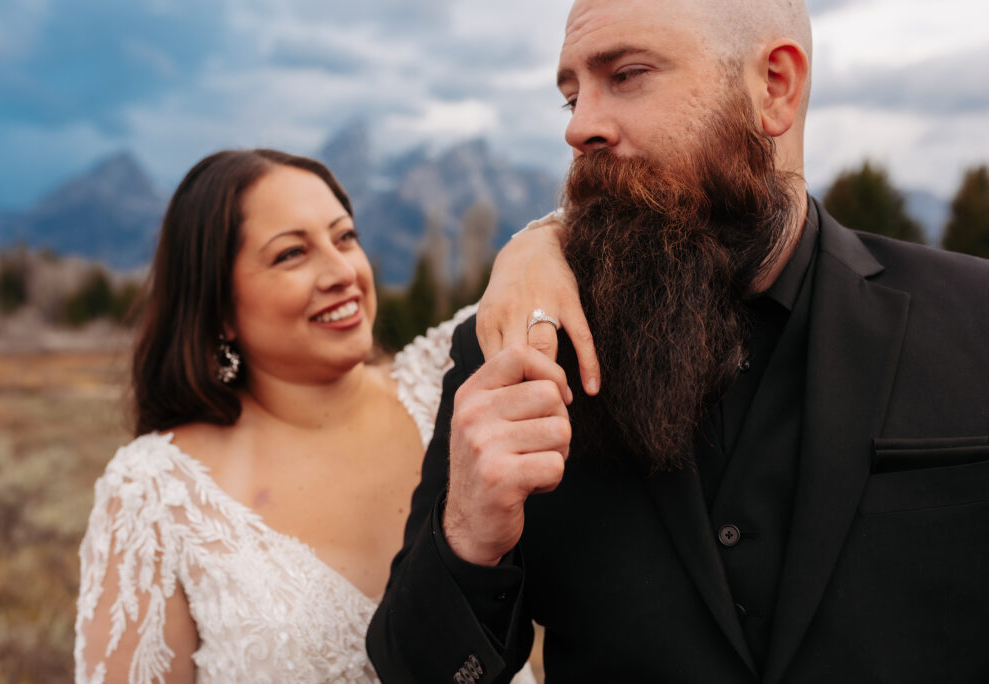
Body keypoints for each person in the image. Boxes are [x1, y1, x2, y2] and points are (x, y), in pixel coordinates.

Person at [367, 0, 989, 681]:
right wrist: (467, 535)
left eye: (627, 75)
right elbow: (413, 670)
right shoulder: (516, 350)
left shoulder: (973, 318)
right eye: (571, 96)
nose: (579, 126)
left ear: (775, 86)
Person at [73, 149, 539, 683]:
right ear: (219, 307)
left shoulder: (454, 382)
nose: (342, 271)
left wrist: (536, 248)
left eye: (345, 237)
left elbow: (566, 252)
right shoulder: (154, 493)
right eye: (292, 254)